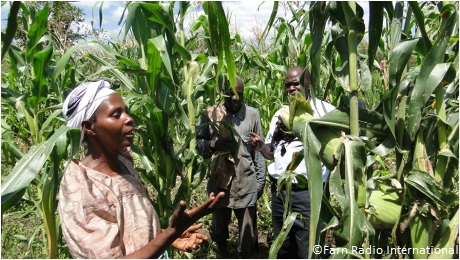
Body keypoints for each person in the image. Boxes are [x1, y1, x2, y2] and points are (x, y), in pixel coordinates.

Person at [58, 80, 224, 259]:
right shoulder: (82, 188)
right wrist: (171, 233)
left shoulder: (123, 164)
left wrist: (166, 235)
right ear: (89, 127)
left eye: (126, 112)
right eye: (116, 114)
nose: (129, 118)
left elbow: (132, 228)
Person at [249, 66, 335, 258]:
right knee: (283, 247)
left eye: (295, 83)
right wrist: (261, 146)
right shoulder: (281, 114)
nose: (291, 88)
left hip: (308, 193)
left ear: (308, 84)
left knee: (309, 249)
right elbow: (272, 153)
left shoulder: (326, 112)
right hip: (280, 193)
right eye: (287, 85)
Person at [196, 76, 266, 258]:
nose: (235, 98)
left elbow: (258, 151)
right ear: (223, 94)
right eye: (231, 94)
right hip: (220, 184)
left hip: (246, 182)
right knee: (219, 228)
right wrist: (212, 145)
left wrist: (260, 182)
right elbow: (198, 144)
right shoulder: (210, 114)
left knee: (248, 233)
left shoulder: (252, 115)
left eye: (239, 94)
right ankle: (223, 254)